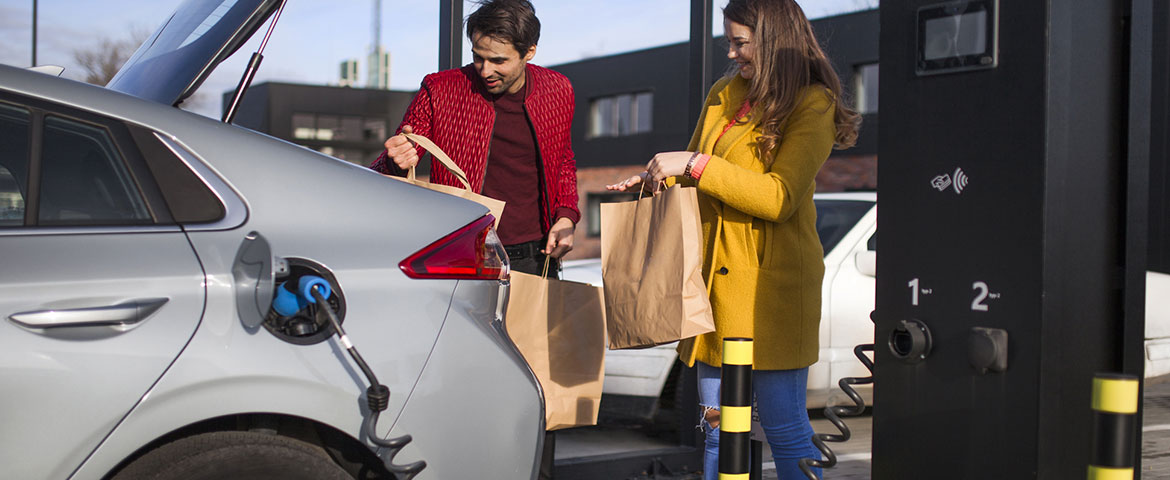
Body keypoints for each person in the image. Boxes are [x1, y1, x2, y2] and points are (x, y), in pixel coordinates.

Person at [607, 0, 860, 478]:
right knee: (718, 433)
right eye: (731, 40)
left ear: (773, 40)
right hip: (713, 293)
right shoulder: (725, 91)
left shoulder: (813, 102)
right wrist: (656, 176)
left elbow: (778, 197)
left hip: (771, 296)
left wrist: (695, 166)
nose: (732, 52)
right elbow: (698, 175)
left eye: (740, 42)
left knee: (785, 430)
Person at [369, 1, 578, 478]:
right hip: (463, 259)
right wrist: (394, 157)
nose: (485, 69)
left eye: (499, 60)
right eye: (477, 56)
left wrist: (566, 215)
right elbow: (391, 169)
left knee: (537, 388)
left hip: (533, 257)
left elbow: (563, 160)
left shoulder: (557, 89)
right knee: (459, 384)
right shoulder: (441, 89)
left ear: (529, 52)